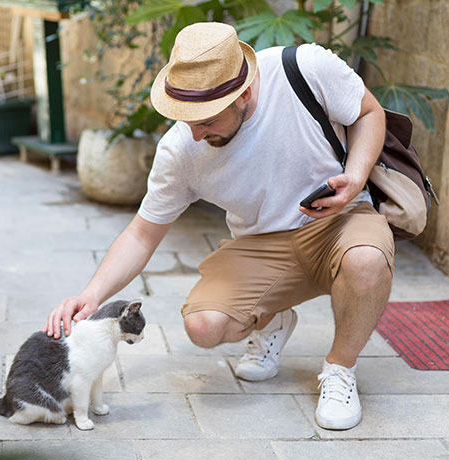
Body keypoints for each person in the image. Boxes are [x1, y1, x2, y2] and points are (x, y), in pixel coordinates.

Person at [44, 22, 393, 431]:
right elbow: (142, 233)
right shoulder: (180, 149)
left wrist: (355, 175)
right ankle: (274, 319)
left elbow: (370, 113)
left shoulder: (307, 68)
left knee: (367, 260)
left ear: (243, 94)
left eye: (204, 119)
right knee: (204, 326)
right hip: (260, 245)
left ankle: (339, 370)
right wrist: (91, 295)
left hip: (341, 222)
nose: (193, 133)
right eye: (183, 117)